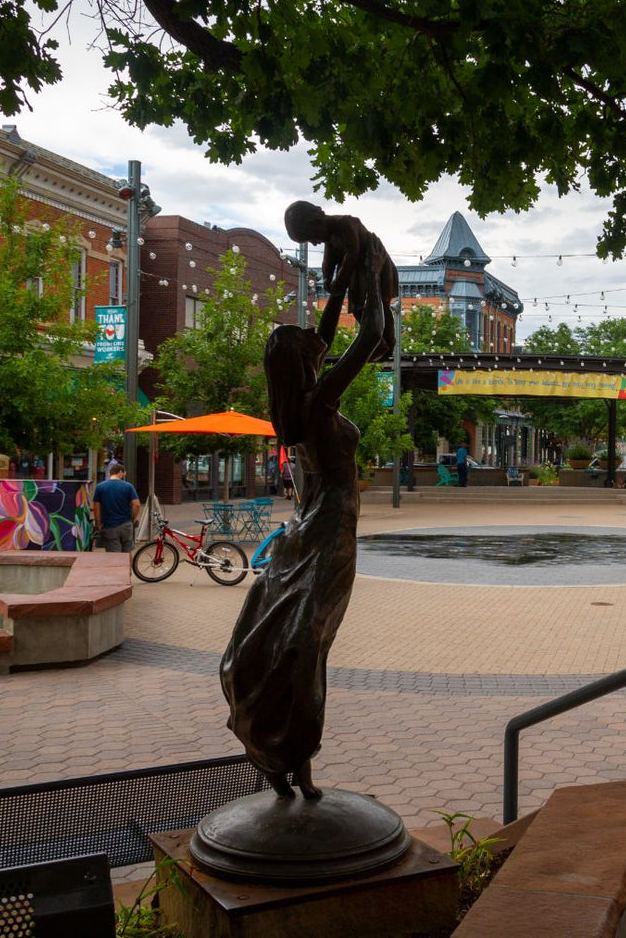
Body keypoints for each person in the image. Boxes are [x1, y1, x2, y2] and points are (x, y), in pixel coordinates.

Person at [221, 209, 392, 801]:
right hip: (327, 533)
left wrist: (339, 286)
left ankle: (287, 760)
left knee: (298, 643)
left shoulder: (295, 413)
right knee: (305, 646)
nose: (320, 350)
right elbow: (369, 337)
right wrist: (368, 279)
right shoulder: (320, 403)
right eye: (312, 351)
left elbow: (323, 334)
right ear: (305, 367)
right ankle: (293, 755)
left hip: (306, 529)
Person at [283, 200, 399, 360]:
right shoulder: (330, 237)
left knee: (382, 306)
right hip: (358, 274)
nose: (315, 242)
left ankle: (388, 343)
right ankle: (378, 344)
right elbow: (328, 261)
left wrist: (339, 281)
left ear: (318, 219)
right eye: (311, 241)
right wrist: (326, 278)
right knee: (358, 308)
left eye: (313, 236)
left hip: (377, 268)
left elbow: (353, 252)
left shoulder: (345, 224)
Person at [91, 463, 140, 553]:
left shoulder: (100, 487)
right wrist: (133, 519)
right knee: (127, 553)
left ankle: (118, 567)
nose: (124, 476)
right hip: (126, 525)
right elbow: (136, 504)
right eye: (124, 474)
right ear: (120, 472)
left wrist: (98, 524)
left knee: (114, 556)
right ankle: (127, 567)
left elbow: (96, 508)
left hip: (110, 526)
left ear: (110, 474)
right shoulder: (128, 486)